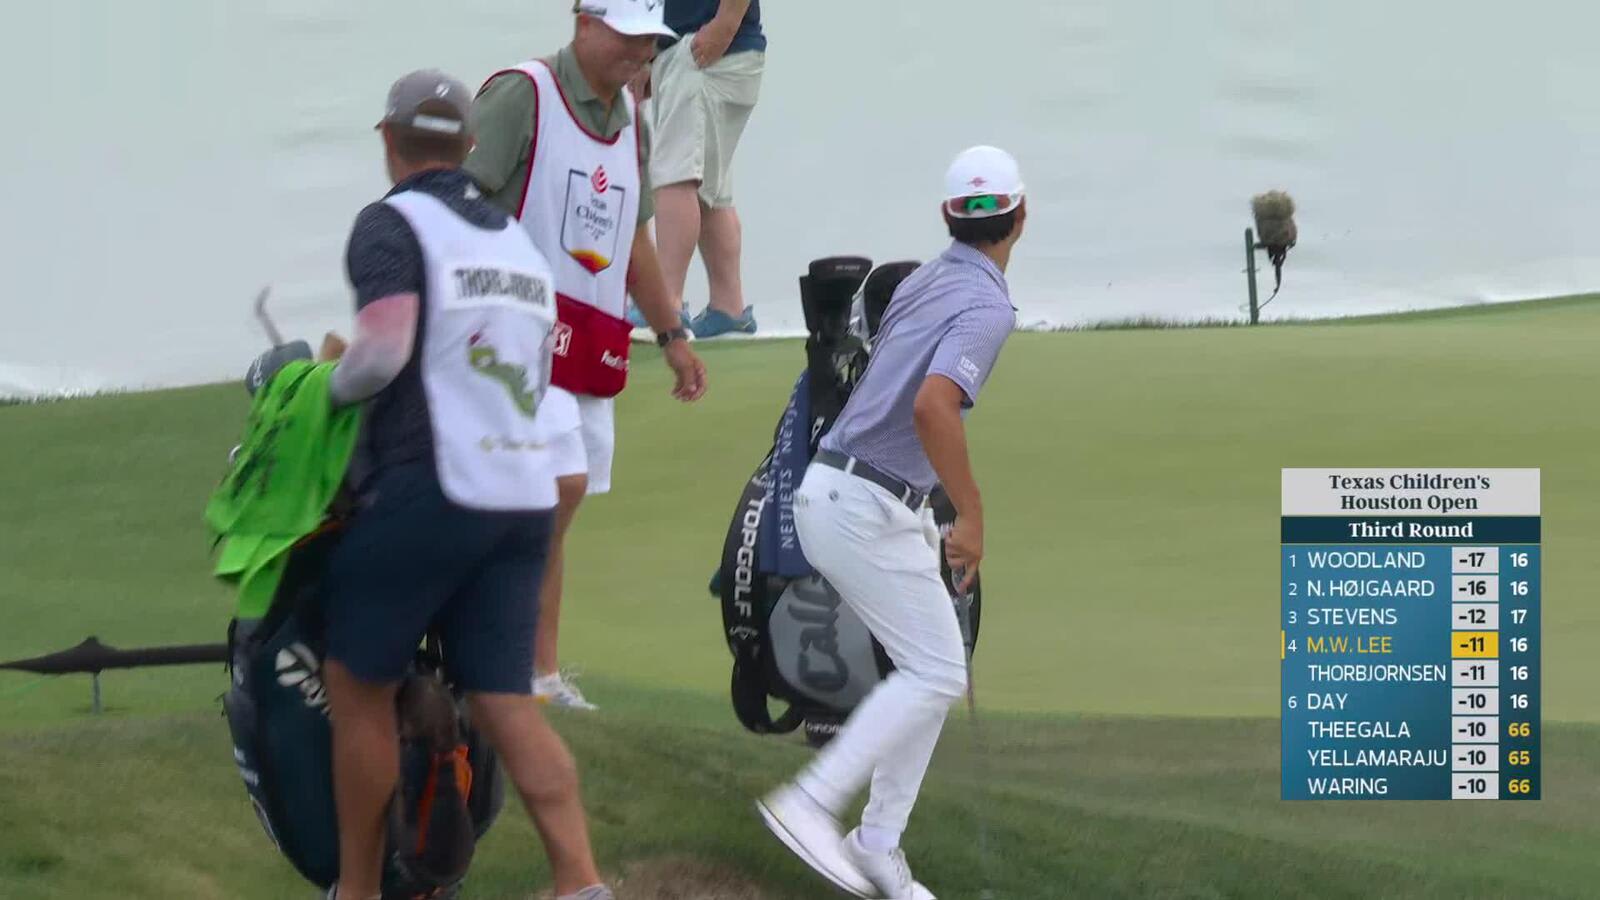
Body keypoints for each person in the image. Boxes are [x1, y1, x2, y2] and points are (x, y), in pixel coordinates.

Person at [317, 69, 614, 900]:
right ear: (472, 145)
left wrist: (323, 387)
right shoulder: (515, 240)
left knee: (359, 686)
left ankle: (357, 890)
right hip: (522, 498)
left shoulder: (391, 223)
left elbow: (382, 351)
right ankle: (581, 883)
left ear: (388, 140)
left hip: (433, 487)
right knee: (504, 698)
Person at [756, 146, 1024, 900]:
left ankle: (877, 842)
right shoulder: (989, 306)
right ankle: (810, 802)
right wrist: (971, 514)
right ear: (1022, 216)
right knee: (935, 670)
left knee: (933, 670)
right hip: (859, 503)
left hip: (858, 494)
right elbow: (932, 406)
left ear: (947, 217)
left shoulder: (922, 280)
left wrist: (927, 516)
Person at [465, 0, 709, 710]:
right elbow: (454, 203)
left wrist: (672, 335)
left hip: (584, 348)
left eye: (649, 41)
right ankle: (501, 665)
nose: (640, 54)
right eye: (627, 37)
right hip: (507, 342)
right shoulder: (522, 95)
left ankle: (536, 674)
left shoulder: (631, 117)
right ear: (583, 22)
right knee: (552, 491)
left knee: (553, 508)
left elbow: (632, 240)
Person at [648, 0, 766, 338]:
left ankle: (664, 305)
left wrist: (725, 24)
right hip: (704, 48)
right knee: (712, 188)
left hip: (704, 51)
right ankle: (728, 309)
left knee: (676, 179)